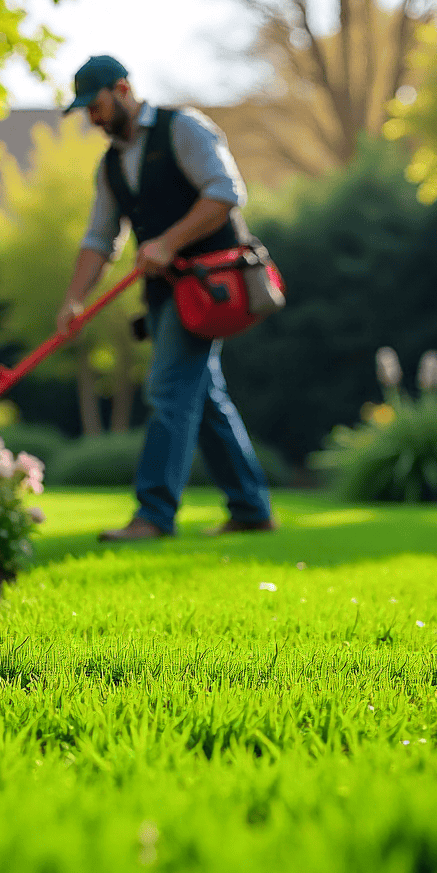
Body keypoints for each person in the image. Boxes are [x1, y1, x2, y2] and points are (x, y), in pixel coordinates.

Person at [56, 55, 277, 542]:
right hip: (165, 291)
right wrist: (74, 300)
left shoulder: (184, 128)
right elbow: (99, 238)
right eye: (86, 111)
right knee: (207, 399)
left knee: (168, 390)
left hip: (212, 284)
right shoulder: (112, 165)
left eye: (95, 105)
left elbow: (224, 193)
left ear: (123, 89)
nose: (93, 119)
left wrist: (168, 243)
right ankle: (251, 507)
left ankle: (153, 516)